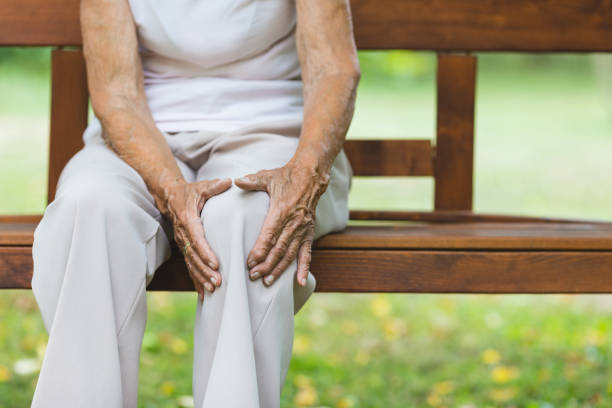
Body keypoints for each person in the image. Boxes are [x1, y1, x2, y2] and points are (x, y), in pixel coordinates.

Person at [30, 0, 360, 406]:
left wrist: (305, 174)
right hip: (137, 137)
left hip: (273, 132)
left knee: (250, 219)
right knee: (88, 209)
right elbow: (116, 91)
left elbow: (334, 67)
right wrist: (170, 189)